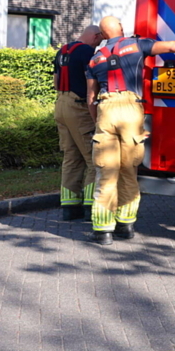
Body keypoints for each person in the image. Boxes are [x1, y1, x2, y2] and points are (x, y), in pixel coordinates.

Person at [85, 16, 175, 245]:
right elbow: (172, 46)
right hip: (130, 110)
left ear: (103, 35)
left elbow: (90, 98)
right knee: (128, 171)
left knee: (105, 173)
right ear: (121, 29)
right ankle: (125, 226)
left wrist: (98, 121)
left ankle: (102, 231)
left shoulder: (94, 60)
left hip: (105, 110)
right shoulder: (137, 45)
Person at [53, 25, 104, 221]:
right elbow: (92, 83)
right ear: (95, 36)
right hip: (79, 108)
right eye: (100, 41)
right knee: (93, 158)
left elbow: (56, 82)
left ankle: (69, 207)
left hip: (61, 104)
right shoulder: (88, 53)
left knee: (71, 157)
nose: (98, 45)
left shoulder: (62, 51)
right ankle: (91, 206)